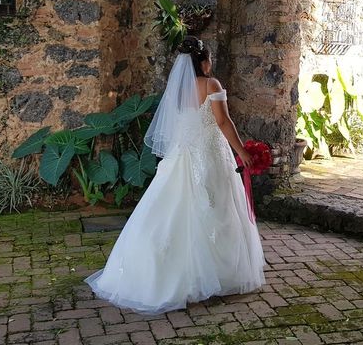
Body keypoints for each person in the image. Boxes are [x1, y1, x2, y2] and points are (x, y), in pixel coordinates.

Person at [85, 36, 266, 314]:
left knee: (169, 208)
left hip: (181, 156)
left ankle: (154, 273)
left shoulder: (178, 90)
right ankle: (214, 274)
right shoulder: (211, 84)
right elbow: (222, 121)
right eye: (209, 60)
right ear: (204, 62)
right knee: (216, 206)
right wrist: (241, 151)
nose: (211, 64)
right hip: (209, 154)